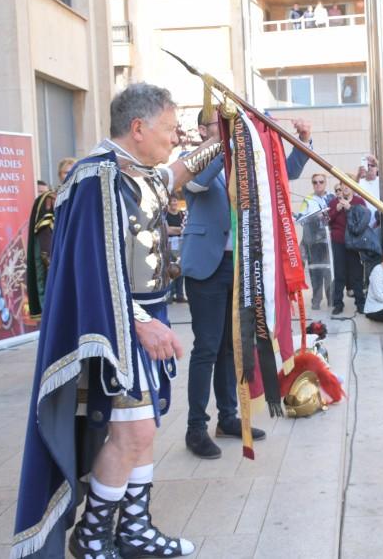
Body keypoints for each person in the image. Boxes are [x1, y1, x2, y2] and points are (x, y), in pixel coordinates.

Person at [13, 82, 225, 558]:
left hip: (137, 322)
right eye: (169, 128)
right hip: (116, 328)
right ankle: (92, 537)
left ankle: (133, 529)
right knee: (133, 432)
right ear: (138, 127)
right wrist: (141, 323)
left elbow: (173, 175)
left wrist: (222, 142)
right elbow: (93, 266)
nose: (176, 137)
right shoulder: (98, 177)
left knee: (143, 429)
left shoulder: (131, 170)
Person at [180, 112, 311, 459]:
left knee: (231, 347)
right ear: (203, 130)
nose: (227, 128)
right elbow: (196, 184)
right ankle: (196, 426)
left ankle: (228, 417)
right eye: (218, 124)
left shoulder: (245, 160)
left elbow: (283, 173)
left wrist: (301, 142)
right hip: (206, 265)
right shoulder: (191, 158)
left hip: (239, 266)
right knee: (206, 347)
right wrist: (224, 146)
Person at [26, 156, 76, 320]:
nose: (70, 175)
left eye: (74, 171)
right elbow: (44, 235)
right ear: (60, 175)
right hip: (59, 259)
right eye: (66, 172)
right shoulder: (50, 199)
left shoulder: (83, 196)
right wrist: (50, 260)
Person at [296, 173, 334, 310]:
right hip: (314, 241)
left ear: (325, 183)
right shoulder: (308, 199)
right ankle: (316, 300)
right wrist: (314, 217)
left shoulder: (332, 198)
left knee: (329, 271)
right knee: (315, 271)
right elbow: (301, 219)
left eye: (321, 182)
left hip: (329, 241)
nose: (318, 184)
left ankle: (331, 300)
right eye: (315, 182)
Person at [329, 180, 367, 315]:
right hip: (338, 241)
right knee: (339, 273)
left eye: (348, 184)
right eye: (343, 184)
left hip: (355, 242)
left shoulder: (359, 201)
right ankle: (338, 304)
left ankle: (360, 303)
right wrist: (336, 209)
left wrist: (350, 208)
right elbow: (327, 220)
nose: (345, 187)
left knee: (356, 273)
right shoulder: (334, 202)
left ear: (353, 187)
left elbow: (364, 220)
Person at [165, 196, 185, 303]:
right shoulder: (165, 215)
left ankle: (180, 295)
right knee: (170, 269)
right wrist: (179, 229)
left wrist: (174, 229)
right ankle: (170, 295)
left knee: (180, 269)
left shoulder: (182, 214)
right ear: (169, 203)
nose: (174, 203)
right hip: (169, 245)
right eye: (172, 201)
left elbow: (185, 228)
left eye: (175, 200)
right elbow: (168, 231)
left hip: (181, 244)